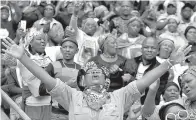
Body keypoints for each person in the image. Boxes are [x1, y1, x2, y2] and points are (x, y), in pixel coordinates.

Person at [1, 33, 191, 120]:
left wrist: (168, 63)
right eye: (89, 71)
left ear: (107, 81)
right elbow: (46, 78)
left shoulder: (119, 96)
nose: (94, 71)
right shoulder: (72, 96)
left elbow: (145, 81)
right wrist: (24, 58)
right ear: (82, 81)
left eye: (99, 72)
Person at [124, 37, 170, 105]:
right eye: (146, 47)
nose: (149, 50)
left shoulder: (162, 70)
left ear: (158, 51)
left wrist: (132, 80)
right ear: (141, 49)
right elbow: (123, 85)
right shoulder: (129, 63)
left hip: (146, 107)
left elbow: (155, 93)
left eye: (153, 48)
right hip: (127, 104)